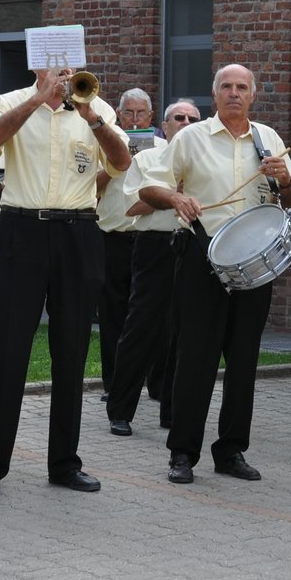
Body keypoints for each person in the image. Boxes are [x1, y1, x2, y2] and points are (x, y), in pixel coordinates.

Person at [0, 67, 130, 499]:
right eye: (54, 63)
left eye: (70, 63)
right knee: (6, 350)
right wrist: (38, 98)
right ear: (37, 65)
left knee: (72, 350)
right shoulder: (12, 101)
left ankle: (64, 463)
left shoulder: (95, 104)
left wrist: (91, 115)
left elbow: (121, 161)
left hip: (78, 231)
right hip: (22, 229)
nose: (63, 71)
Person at [138, 64, 291, 485]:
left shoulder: (268, 139)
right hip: (200, 255)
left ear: (253, 94)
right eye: (226, 86)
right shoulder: (190, 137)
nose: (233, 93)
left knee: (244, 362)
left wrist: (283, 180)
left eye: (241, 87)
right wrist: (176, 196)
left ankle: (231, 451)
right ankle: (182, 453)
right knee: (196, 358)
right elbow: (148, 188)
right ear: (214, 93)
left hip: (254, 263)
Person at [105, 99, 200, 435]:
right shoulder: (146, 157)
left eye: (193, 118)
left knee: (186, 332)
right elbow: (132, 207)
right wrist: (171, 194)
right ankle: (120, 408)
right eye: (179, 117)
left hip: (193, 246)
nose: (186, 122)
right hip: (154, 246)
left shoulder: (202, 158)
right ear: (165, 124)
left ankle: (172, 412)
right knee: (141, 328)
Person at [96, 88, 155, 397]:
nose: (134, 119)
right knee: (113, 314)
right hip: (113, 238)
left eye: (140, 113)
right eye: (128, 113)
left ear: (151, 116)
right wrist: (117, 161)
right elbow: (87, 188)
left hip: (148, 237)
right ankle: (113, 383)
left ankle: (152, 381)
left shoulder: (161, 146)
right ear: (119, 115)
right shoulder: (105, 140)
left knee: (149, 314)